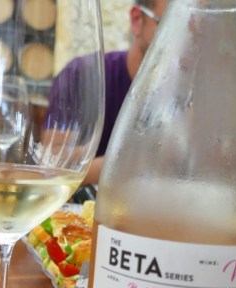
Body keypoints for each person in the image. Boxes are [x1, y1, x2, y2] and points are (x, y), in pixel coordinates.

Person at [48, 0, 169, 187]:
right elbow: (52, 163)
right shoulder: (80, 75)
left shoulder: (189, 96)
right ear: (137, 20)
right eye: (168, 23)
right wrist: (132, 160)